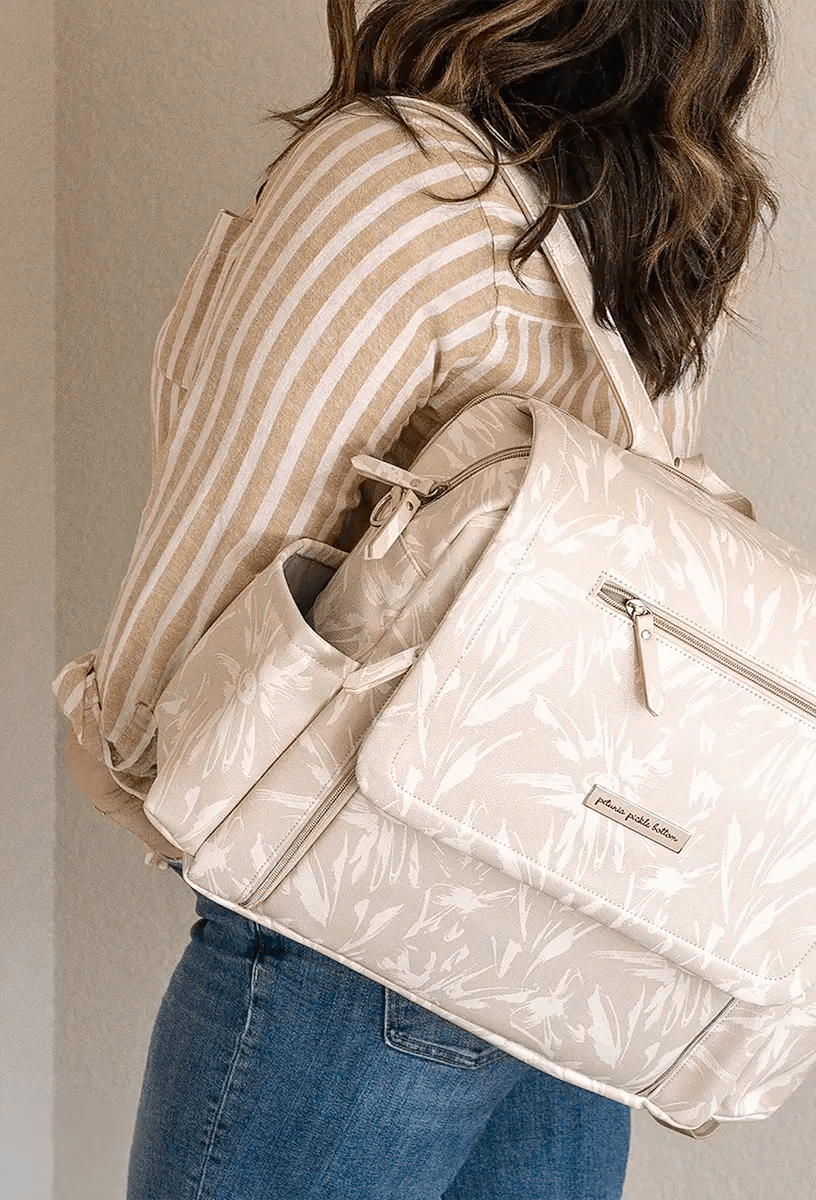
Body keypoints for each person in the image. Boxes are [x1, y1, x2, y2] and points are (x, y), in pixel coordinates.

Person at [55, 2, 779, 1196]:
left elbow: (201, 614)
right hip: (567, 964)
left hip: (354, 940)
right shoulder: (647, 224)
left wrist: (126, 756)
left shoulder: (392, 179)